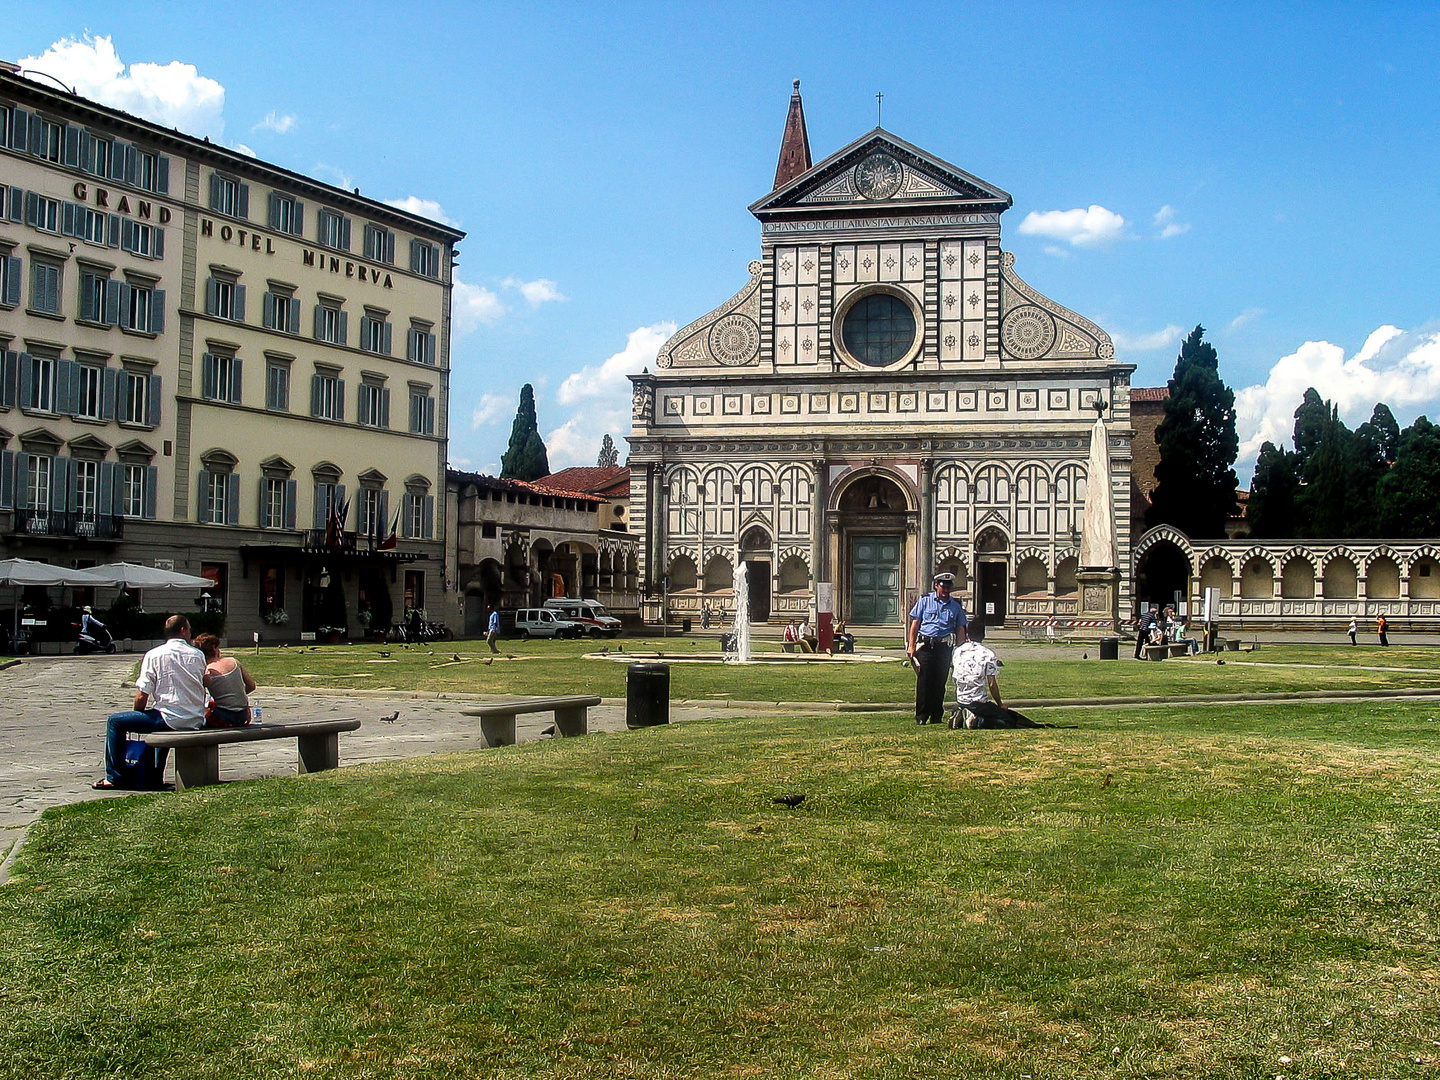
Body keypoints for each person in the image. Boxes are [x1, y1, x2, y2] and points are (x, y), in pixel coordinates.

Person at [92, 615, 207, 790]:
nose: (190, 633)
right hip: (195, 718)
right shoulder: (198, 655)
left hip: (169, 717)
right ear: (183, 630)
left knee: (115, 722)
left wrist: (139, 711)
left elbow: (142, 695)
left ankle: (115, 777)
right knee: (162, 719)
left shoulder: (154, 655)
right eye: (189, 629)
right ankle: (154, 777)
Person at [907, 571, 967, 725]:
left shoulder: (956, 606)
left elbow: (960, 628)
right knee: (924, 682)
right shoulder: (925, 601)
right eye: (943, 587)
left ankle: (936, 715)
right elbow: (915, 624)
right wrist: (911, 645)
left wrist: (961, 651)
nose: (946, 590)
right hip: (926, 646)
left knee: (940, 683)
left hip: (944, 648)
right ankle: (921, 715)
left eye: (948, 587)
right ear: (936, 586)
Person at [194, 633, 256, 727]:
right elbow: (252, 686)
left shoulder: (206, 671)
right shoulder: (234, 661)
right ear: (214, 648)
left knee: (201, 720)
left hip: (222, 717)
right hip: (243, 715)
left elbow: (199, 697)